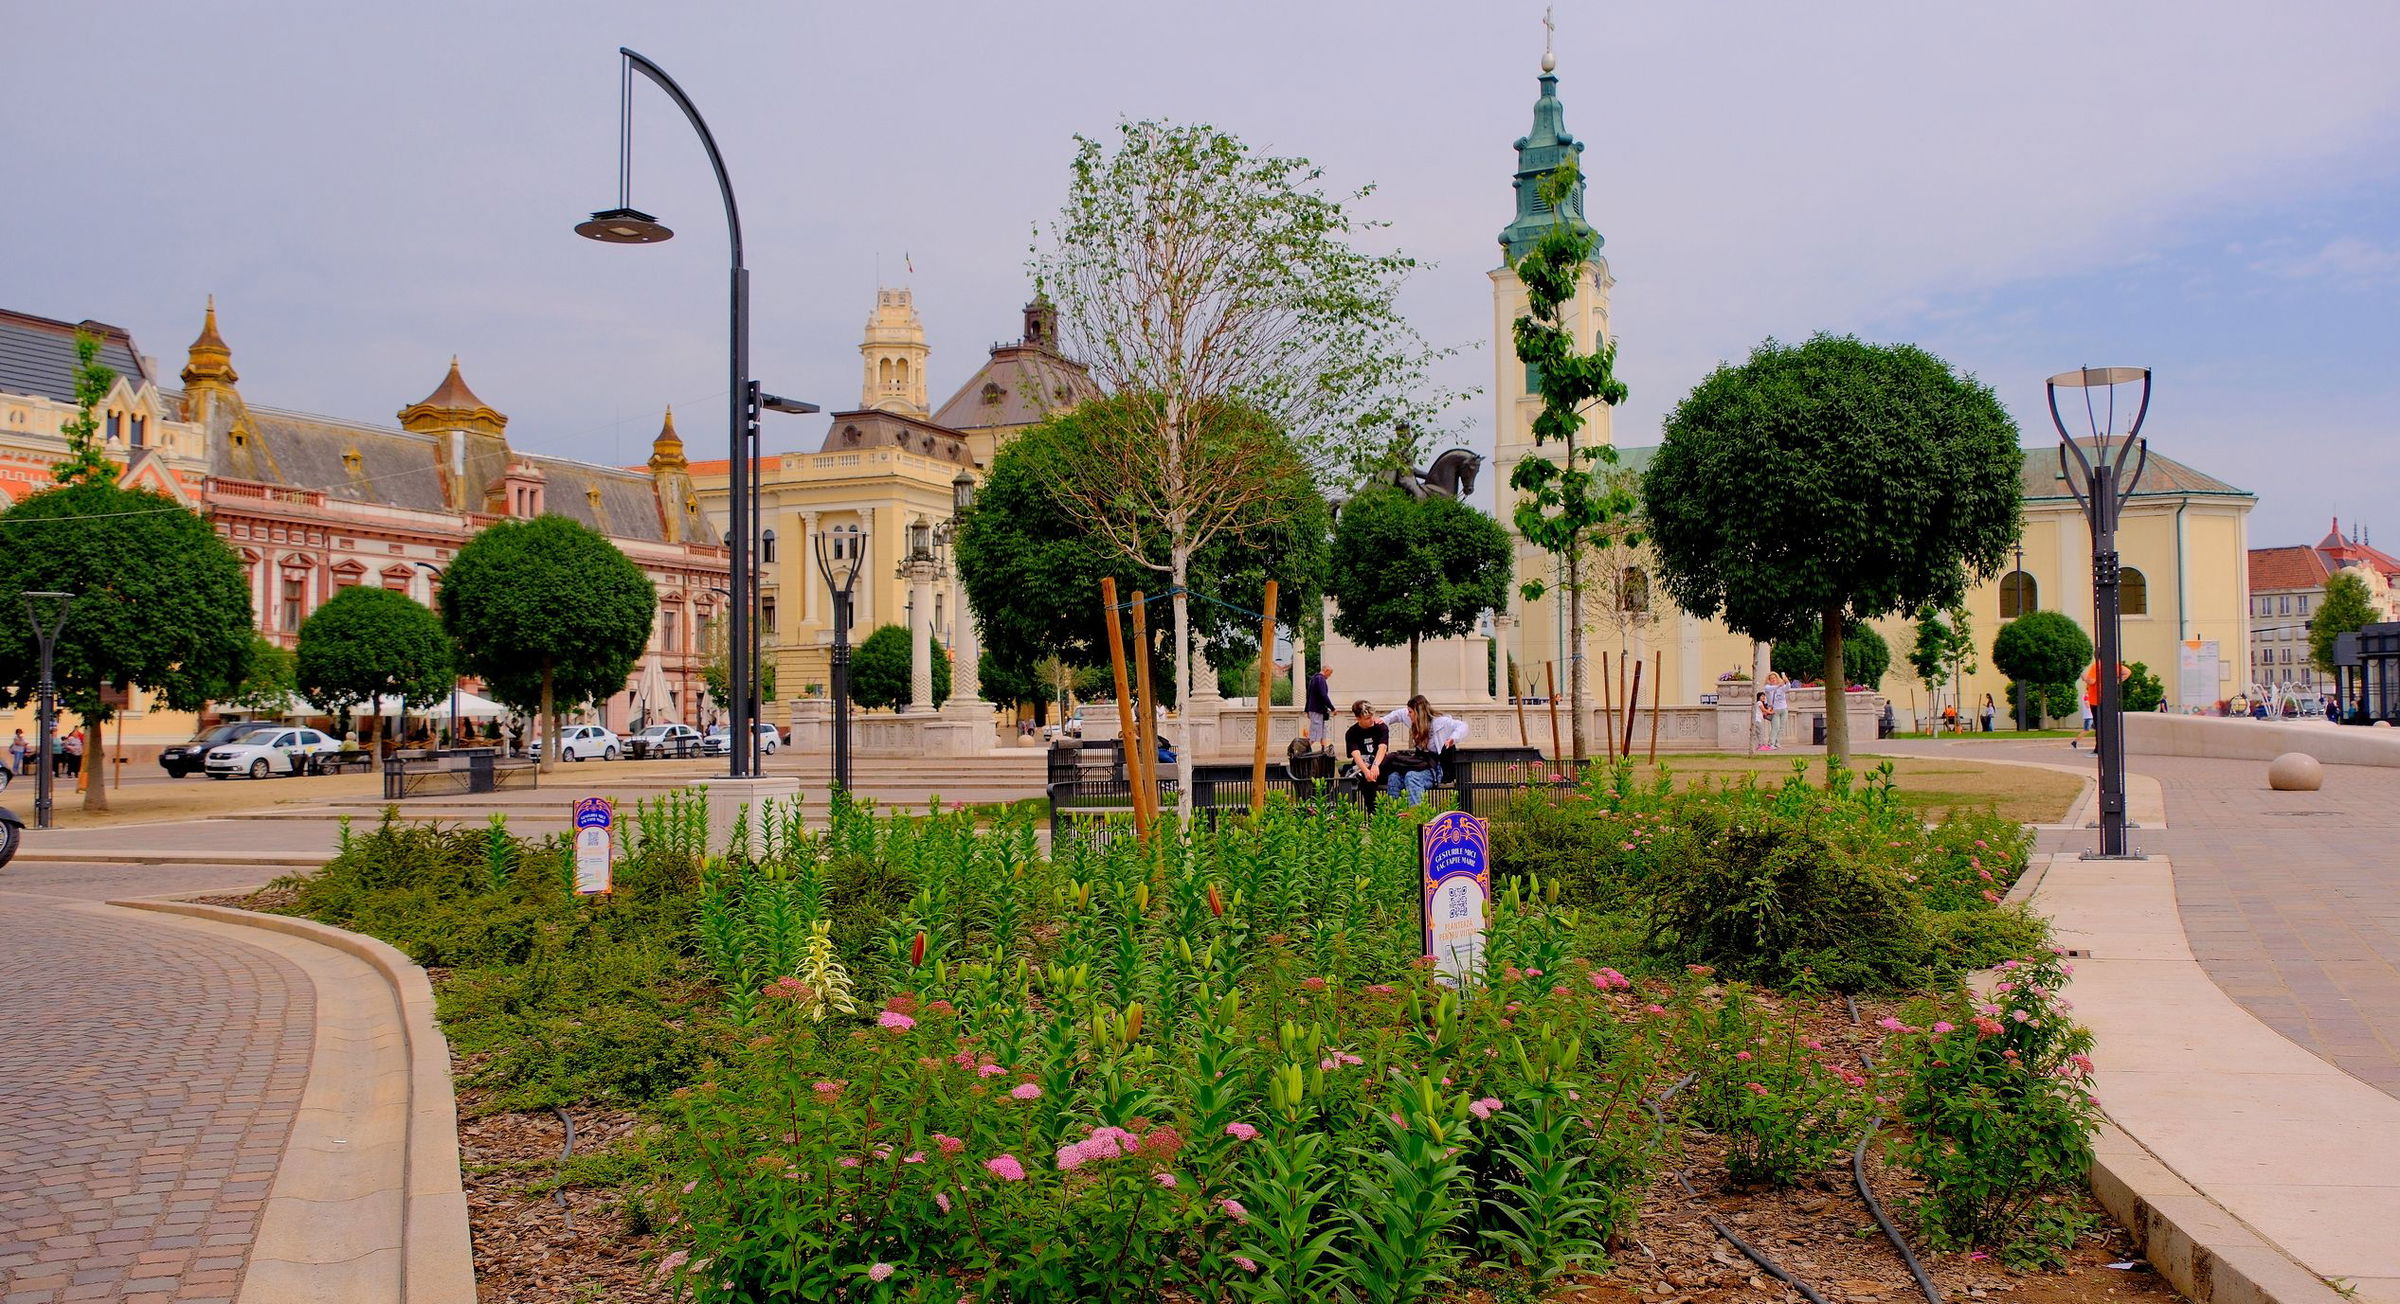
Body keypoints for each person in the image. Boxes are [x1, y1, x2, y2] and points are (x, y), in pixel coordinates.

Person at [1381, 695, 1468, 807]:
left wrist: (1453, 738)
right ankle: (1394, 816)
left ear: (1418, 713)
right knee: (1394, 777)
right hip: (1421, 763)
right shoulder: (1412, 719)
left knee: (1412, 777)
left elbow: (1462, 726)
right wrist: (1382, 721)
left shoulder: (1440, 723)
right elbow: (1398, 714)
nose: (1408, 714)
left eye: (1410, 712)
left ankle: (1416, 815)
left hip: (1437, 768)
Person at [1342, 699, 1389, 814]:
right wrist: (1366, 771)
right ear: (1358, 718)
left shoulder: (1381, 727)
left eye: (1372, 716)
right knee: (1367, 780)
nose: (1371, 720)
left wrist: (1375, 765)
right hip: (1362, 767)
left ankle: (1377, 813)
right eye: (1367, 718)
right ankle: (1372, 814)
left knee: (1373, 777)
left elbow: (1382, 748)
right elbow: (1355, 754)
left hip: (1379, 763)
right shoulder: (1351, 733)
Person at [1304, 666, 1334, 750]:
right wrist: (1332, 708)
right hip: (1317, 710)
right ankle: (1303, 750)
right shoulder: (1320, 680)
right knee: (1315, 733)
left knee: (1322, 731)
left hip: (1315, 710)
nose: (1330, 675)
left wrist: (1307, 710)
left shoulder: (1313, 679)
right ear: (1326, 670)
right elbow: (1323, 695)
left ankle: (1324, 750)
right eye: (1330, 673)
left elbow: (1308, 695)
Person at [1763, 672, 1790, 750]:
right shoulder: (1768, 687)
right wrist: (1779, 685)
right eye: (1771, 678)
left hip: (1784, 709)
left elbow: (1787, 688)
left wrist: (1787, 681)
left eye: (1774, 678)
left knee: (1781, 727)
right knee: (1775, 727)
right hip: (1775, 710)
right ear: (1769, 680)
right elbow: (1769, 688)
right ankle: (1771, 743)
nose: (1773, 679)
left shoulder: (1782, 687)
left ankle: (1777, 743)